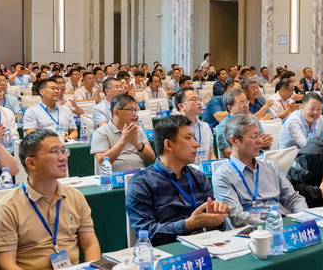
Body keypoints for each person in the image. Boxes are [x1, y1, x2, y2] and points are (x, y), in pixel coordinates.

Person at [0, 130, 100, 270]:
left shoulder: (75, 196)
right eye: (55, 152)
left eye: (63, 151)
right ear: (31, 163)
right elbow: (6, 265)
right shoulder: (7, 208)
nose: (62, 158)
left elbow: (91, 244)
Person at [126, 115, 229, 246]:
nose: (196, 144)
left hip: (205, 245)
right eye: (188, 138)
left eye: (194, 137)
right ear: (168, 145)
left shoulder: (198, 177)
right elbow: (145, 231)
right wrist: (187, 225)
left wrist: (217, 218)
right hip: (168, 252)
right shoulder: (142, 183)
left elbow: (217, 227)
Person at [213, 114, 307, 227]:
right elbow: (237, 217)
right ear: (234, 141)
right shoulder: (223, 176)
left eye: (259, 135)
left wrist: (304, 217)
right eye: (253, 136)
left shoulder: (270, 166)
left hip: (279, 223)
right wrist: (272, 226)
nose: (259, 141)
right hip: (251, 231)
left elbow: (294, 198)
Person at [90, 94, 155, 171]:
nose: (135, 114)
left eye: (135, 110)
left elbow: (152, 158)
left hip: (138, 174)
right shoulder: (101, 132)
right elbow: (102, 162)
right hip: (115, 176)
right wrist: (123, 141)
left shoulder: (138, 130)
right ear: (117, 112)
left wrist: (137, 144)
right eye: (130, 110)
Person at [215, 89, 273, 158]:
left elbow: (264, 143)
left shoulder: (254, 120)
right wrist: (257, 145)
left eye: (246, 101)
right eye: (241, 103)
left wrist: (266, 143)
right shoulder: (223, 126)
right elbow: (227, 153)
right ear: (230, 107)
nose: (246, 105)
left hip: (258, 159)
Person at [175, 87, 216, 161]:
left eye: (199, 99)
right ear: (181, 106)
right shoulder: (175, 128)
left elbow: (211, 154)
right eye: (194, 100)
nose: (199, 103)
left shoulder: (205, 126)